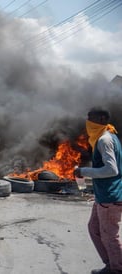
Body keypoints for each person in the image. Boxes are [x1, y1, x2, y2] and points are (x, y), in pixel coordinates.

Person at [74, 107, 122, 274]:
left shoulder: (104, 140)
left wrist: (83, 172)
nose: (88, 122)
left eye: (91, 118)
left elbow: (111, 170)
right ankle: (111, 264)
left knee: (109, 236)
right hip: (103, 196)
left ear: (102, 119)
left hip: (110, 196)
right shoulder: (107, 136)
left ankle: (117, 269)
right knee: (94, 228)